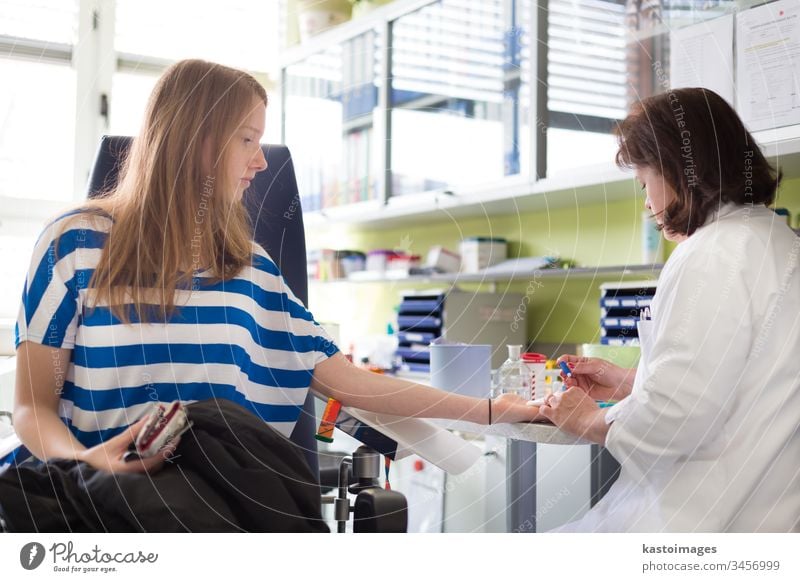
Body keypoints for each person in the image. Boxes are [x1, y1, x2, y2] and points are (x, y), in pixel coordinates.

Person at [11, 59, 540, 479]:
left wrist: (493, 409)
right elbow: (33, 408)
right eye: (248, 138)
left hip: (216, 506)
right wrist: (88, 462)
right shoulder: (73, 245)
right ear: (196, 140)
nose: (261, 162)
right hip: (96, 503)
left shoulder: (247, 268)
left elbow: (351, 383)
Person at [540, 87, 800, 532]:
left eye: (644, 181)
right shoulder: (782, 243)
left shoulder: (711, 253)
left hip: (696, 526)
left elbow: (675, 417)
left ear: (679, 170)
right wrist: (630, 382)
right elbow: (735, 384)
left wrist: (589, 420)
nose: (645, 201)